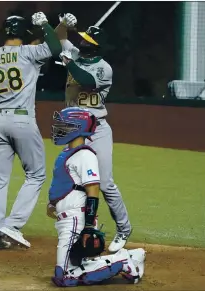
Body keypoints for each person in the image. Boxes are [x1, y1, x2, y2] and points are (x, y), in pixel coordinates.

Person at [0, 13, 62, 250]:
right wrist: (45, 25)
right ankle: (12, 225)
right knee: (36, 174)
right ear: (24, 34)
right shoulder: (30, 53)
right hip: (22, 121)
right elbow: (55, 46)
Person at [53, 13, 132, 252]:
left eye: (87, 40)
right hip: (74, 129)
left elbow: (85, 80)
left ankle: (124, 228)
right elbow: (57, 39)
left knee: (105, 183)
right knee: (75, 181)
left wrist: (69, 63)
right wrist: (63, 24)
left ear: (96, 46)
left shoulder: (103, 68)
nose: (82, 42)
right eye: (82, 38)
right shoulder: (75, 54)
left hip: (97, 130)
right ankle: (84, 228)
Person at [47, 107, 145, 287]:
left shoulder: (85, 155)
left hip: (77, 219)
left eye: (64, 125)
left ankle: (124, 262)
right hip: (67, 219)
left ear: (77, 128)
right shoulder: (67, 153)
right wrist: (53, 203)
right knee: (74, 267)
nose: (59, 129)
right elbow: (65, 182)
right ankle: (129, 256)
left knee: (65, 277)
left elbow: (93, 190)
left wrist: (88, 226)